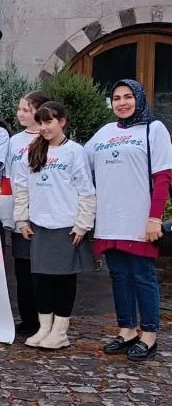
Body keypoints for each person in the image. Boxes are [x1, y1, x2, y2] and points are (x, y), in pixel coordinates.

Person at [87, 79, 172, 361]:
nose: (122, 103)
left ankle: (149, 335)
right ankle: (127, 330)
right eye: (116, 98)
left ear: (139, 98)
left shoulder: (153, 129)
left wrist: (154, 219)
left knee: (142, 276)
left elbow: (163, 178)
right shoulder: (104, 132)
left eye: (128, 96)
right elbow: (79, 162)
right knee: (119, 276)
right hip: (109, 218)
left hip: (138, 219)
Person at [14, 101, 96, 350]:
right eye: (41, 122)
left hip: (66, 227)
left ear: (62, 122)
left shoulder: (74, 151)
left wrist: (82, 224)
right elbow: (22, 187)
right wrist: (21, 219)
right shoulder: (33, 150)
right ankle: (44, 327)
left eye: (49, 122)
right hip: (39, 225)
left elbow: (86, 190)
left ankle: (60, 331)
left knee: (63, 280)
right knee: (41, 280)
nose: (44, 127)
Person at [0, 91, 49, 335]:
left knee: (43, 268)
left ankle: (46, 318)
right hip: (21, 210)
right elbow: (7, 177)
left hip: (46, 210)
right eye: (19, 109)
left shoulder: (49, 137)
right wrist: (8, 212)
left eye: (26, 110)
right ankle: (27, 318)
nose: (21, 114)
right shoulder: (14, 141)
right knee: (23, 267)